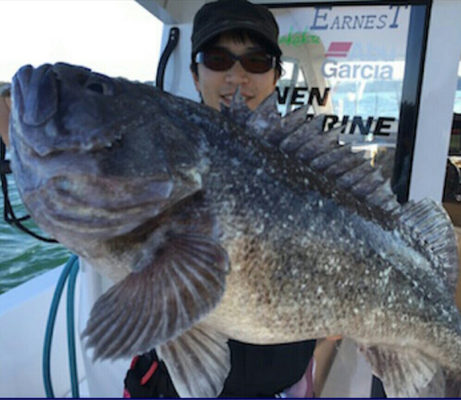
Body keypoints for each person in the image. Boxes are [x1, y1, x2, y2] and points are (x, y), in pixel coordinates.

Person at [0, 0, 342, 397]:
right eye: (217, 59)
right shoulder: (159, 148)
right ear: (196, 75)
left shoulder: (310, 171)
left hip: (286, 385)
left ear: (275, 75)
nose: (237, 77)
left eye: (256, 61)